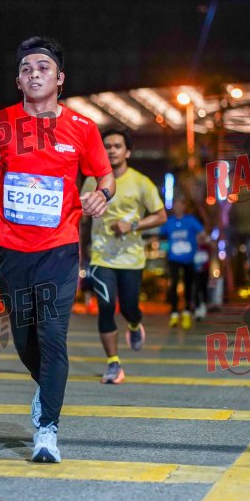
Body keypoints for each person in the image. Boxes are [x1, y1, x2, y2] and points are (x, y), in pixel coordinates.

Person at [0, 36, 115, 463]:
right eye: (26, 69)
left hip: (59, 249)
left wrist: (101, 194)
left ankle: (47, 429)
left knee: (52, 335)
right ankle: (45, 389)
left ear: (60, 79)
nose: (34, 74)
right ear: (18, 81)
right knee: (25, 339)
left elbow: (104, 175)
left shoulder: (82, 128)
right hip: (11, 249)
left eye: (43, 67)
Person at [80, 128, 166, 384]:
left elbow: (161, 216)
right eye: (107, 146)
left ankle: (134, 324)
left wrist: (133, 225)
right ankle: (113, 364)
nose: (111, 150)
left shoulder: (141, 182)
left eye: (117, 146)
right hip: (101, 256)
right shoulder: (92, 181)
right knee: (106, 307)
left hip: (130, 258)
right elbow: (81, 215)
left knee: (129, 308)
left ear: (127, 152)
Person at [160, 196, 204, 329]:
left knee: (188, 286)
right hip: (173, 259)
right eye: (176, 205)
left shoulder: (190, 220)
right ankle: (174, 313)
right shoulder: (169, 221)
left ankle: (186, 312)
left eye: (180, 205)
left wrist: (204, 239)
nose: (178, 207)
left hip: (189, 259)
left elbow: (202, 233)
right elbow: (160, 235)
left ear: (184, 207)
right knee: (173, 284)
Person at [194, 237, 211, 320]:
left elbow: (213, 248)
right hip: (195, 271)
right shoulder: (193, 246)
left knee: (204, 288)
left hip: (204, 271)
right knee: (196, 289)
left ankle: (203, 307)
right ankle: (197, 309)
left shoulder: (206, 246)